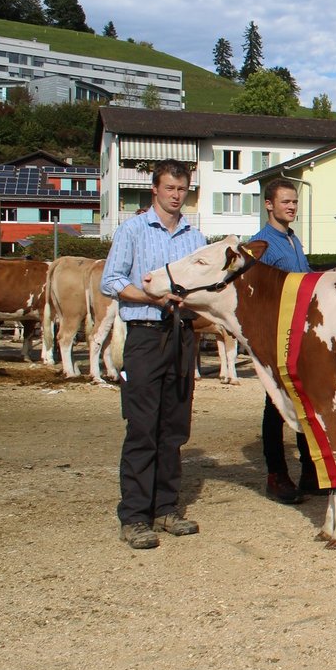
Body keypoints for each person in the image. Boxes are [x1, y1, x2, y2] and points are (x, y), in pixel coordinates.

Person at [101, 159, 206, 549]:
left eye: (182, 190)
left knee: (174, 427)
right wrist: (151, 296)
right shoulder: (132, 230)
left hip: (181, 335)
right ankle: (134, 516)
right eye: (170, 189)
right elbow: (111, 280)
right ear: (155, 190)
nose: (176, 196)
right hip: (145, 335)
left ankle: (166, 508)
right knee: (143, 426)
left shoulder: (196, 238)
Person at [253, 179, 322, 504]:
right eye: (285, 202)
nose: (292, 207)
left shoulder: (293, 239)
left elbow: (305, 278)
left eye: (294, 202)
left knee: (303, 403)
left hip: (299, 335)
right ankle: (276, 474)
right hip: (276, 335)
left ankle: (310, 470)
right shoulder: (262, 245)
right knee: (276, 406)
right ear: (269, 205)